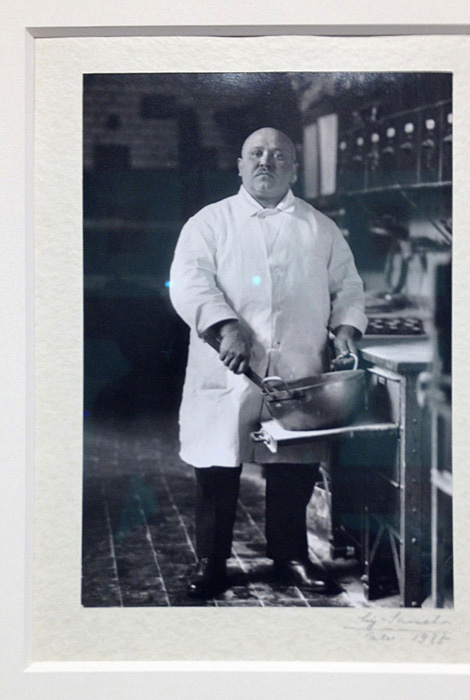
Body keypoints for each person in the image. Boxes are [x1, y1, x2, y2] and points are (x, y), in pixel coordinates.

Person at [169, 127, 367, 599]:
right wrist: (225, 327)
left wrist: (346, 330)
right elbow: (189, 283)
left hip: (298, 366)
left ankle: (290, 557)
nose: (266, 161)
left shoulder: (319, 227)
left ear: (293, 169)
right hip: (228, 368)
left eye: (278, 155)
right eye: (255, 153)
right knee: (217, 466)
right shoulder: (209, 222)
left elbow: (348, 287)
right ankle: (211, 562)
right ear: (240, 166)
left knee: (293, 468)